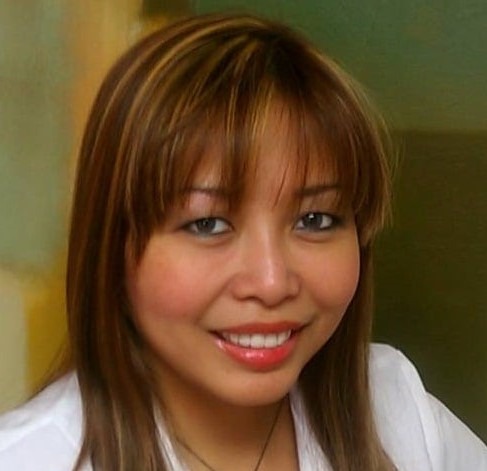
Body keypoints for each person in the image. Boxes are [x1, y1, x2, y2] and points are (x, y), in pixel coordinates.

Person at [0, 13, 486, 471]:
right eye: (207, 224)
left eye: (315, 219)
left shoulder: (396, 409)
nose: (271, 283)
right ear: (113, 248)